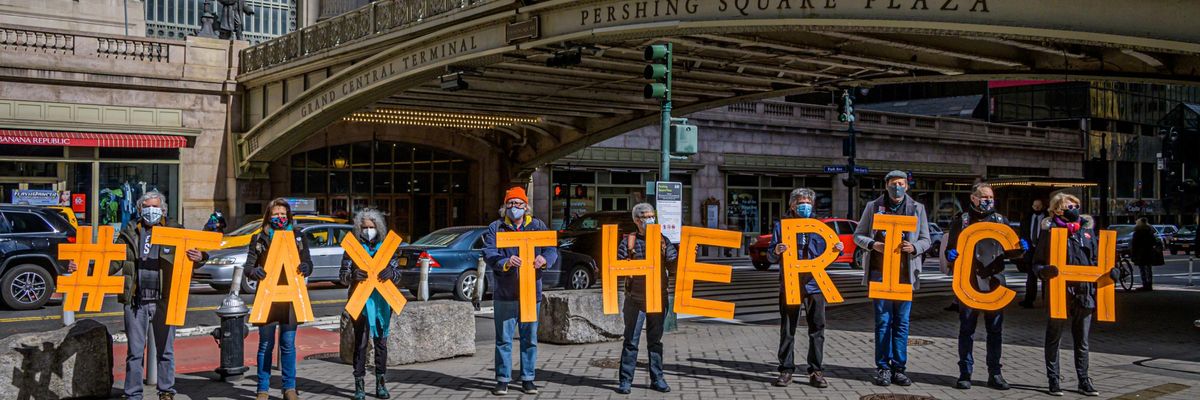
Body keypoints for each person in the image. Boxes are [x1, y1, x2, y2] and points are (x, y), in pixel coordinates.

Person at [70, 191, 208, 400]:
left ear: (162, 209)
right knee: (134, 352)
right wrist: (84, 269)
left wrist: (201, 257)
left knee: (165, 351)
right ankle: (133, 393)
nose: (150, 211)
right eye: (146, 207)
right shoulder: (129, 232)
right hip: (136, 300)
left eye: (155, 206)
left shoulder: (175, 230)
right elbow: (113, 262)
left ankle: (166, 391)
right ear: (139, 209)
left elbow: (196, 254)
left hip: (165, 299)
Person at [943, 182, 1027, 391]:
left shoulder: (1000, 221)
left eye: (990, 197)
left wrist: (1021, 250)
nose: (988, 201)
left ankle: (995, 374)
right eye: (984, 197)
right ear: (973, 198)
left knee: (995, 331)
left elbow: (1010, 251)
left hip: (994, 283)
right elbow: (951, 249)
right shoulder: (961, 221)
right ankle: (965, 372)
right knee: (967, 330)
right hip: (968, 283)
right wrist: (950, 255)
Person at [853, 170, 931, 387]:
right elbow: (858, 235)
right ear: (886, 185)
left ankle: (899, 368)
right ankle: (883, 368)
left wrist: (914, 247)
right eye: (893, 183)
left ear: (907, 186)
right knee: (883, 322)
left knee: (902, 323)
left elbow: (926, 239)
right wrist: (872, 244)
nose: (897, 187)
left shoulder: (917, 208)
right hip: (880, 273)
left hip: (905, 275)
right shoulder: (873, 206)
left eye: (901, 183)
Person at [1034, 193, 1117, 397]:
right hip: (1059, 291)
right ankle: (1053, 379)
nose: (1074, 208)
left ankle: (1084, 380)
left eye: (1076, 205)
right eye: (1069, 206)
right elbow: (1036, 262)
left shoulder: (1087, 232)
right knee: (1054, 337)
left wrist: (1112, 272)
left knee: (1082, 340)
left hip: (1084, 291)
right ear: (1057, 210)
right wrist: (1043, 271)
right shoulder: (1050, 232)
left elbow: (1098, 260)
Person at [482, 186, 559, 396]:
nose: (515, 207)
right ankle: (502, 379)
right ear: (505, 206)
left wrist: (545, 260)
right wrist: (505, 261)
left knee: (529, 340)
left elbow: (551, 249)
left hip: (530, 293)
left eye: (519, 203)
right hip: (505, 294)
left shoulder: (537, 225)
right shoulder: (496, 227)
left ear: (526, 206)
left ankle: (528, 378)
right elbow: (489, 253)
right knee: (503, 340)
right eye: (511, 203)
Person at [767, 188, 843, 388]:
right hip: (790, 282)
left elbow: (830, 253)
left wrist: (837, 250)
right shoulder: (781, 227)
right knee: (788, 328)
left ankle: (816, 371)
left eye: (809, 203)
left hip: (816, 284)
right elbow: (770, 256)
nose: (805, 206)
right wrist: (775, 250)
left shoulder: (819, 227)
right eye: (801, 202)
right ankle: (785, 370)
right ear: (792, 205)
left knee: (817, 328)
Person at [243, 198, 314, 400]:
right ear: (269, 216)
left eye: (283, 214)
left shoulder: (298, 237)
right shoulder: (259, 238)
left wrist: (307, 267)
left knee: (288, 344)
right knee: (265, 344)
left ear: (288, 215)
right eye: (275, 214)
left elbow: (308, 261)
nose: (280, 217)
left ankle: (289, 388)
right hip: (267, 297)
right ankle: (262, 389)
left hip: (291, 298)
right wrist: (254, 271)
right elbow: (248, 267)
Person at [339, 209, 403, 400]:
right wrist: (352, 276)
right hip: (360, 302)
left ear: (379, 228)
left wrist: (392, 274)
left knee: (381, 344)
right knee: (361, 343)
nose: (368, 230)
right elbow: (342, 276)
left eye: (372, 227)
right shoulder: (352, 248)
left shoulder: (387, 248)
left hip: (383, 303)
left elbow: (398, 275)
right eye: (365, 227)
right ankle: (359, 386)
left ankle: (380, 384)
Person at [615, 203, 678, 394]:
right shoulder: (629, 242)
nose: (649, 219)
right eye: (644, 216)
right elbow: (617, 269)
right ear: (636, 220)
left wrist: (675, 256)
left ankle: (657, 378)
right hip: (635, 298)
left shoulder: (662, 240)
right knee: (631, 341)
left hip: (658, 297)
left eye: (651, 216)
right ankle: (625, 381)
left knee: (655, 341)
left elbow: (674, 267)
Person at [1019, 199, 1049, 308]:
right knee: (1031, 277)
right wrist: (1025, 249)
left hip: (1044, 251)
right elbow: (1023, 234)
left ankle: (1046, 301)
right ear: (1032, 206)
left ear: (1042, 206)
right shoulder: (1027, 218)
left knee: (1046, 277)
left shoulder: (1048, 219)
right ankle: (1029, 300)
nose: (1037, 208)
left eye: (1039, 206)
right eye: (1035, 206)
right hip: (1031, 250)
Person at [1131, 218, 1157, 291]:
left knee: (1142, 269)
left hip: (1141, 253)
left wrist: (1133, 254)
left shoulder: (1137, 232)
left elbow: (1134, 244)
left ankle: (1145, 284)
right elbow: (1154, 242)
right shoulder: (1150, 231)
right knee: (1149, 269)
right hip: (1149, 252)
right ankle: (1149, 285)